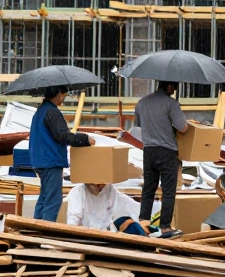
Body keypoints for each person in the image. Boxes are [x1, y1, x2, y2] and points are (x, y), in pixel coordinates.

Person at [30, 86, 95, 222]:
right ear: (57, 94)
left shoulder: (40, 111)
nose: (63, 99)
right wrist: (85, 139)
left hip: (40, 160)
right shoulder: (52, 112)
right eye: (64, 96)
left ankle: (35, 229)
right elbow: (62, 136)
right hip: (51, 161)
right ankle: (45, 233)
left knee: (44, 198)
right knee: (53, 201)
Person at [134, 81, 189, 239]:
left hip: (149, 150)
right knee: (168, 191)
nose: (175, 89)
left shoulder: (142, 102)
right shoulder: (171, 103)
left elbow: (138, 124)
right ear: (169, 87)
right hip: (167, 151)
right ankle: (165, 227)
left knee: (148, 189)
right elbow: (182, 127)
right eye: (175, 86)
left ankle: (143, 224)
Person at [67, 182, 147, 236]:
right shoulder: (78, 192)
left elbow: (123, 205)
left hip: (106, 236)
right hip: (86, 237)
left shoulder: (108, 189)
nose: (102, 186)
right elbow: (73, 223)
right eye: (98, 184)